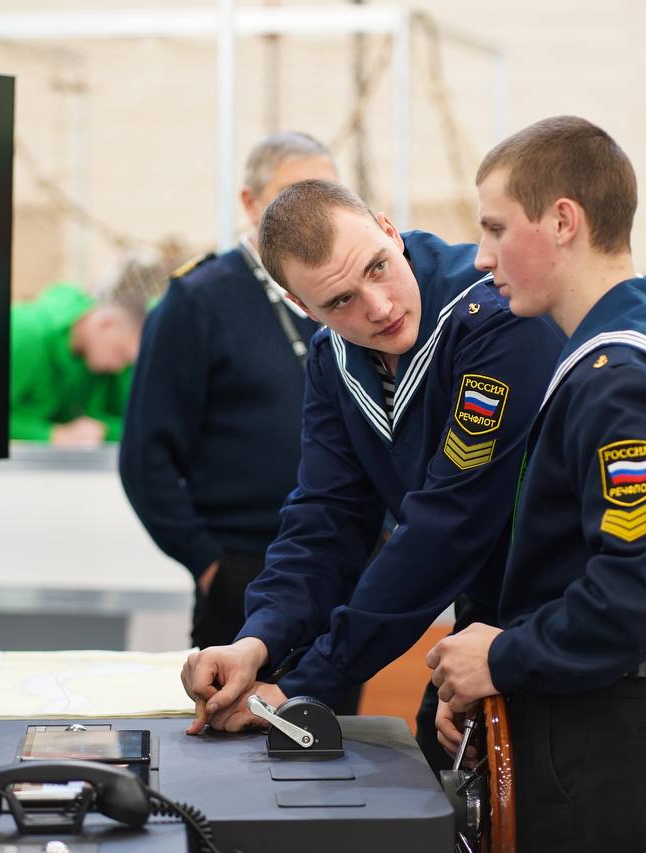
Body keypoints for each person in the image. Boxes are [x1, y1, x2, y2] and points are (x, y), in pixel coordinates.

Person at [426, 115, 646, 853]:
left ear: (563, 221)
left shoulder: (619, 380)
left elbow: (639, 590)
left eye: (497, 228)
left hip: (608, 738)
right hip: (616, 722)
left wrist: (501, 658)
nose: (482, 257)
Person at [178, 180, 564, 770]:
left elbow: (448, 525)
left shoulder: (497, 317)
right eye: (340, 302)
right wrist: (257, 640)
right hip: (485, 627)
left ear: (389, 230)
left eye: (378, 268)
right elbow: (325, 519)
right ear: (304, 309)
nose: (378, 307)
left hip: (566, 629)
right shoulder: (333, 361)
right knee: (430, 771)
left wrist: (306, 681)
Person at [119, 132, 338, 652]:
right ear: (250, 202)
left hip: (337, 560)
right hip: (244, 571)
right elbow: (145, 457)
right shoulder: (197, 300)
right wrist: (208, 563)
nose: (312, 213)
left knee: (330, 705)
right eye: (291, 194)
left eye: (326, 195)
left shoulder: (340, 293)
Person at [10, 282, 145, 446]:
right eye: (120, 354)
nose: (118, 367)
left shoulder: (85, 357)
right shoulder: (23, 335)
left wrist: (103, 431)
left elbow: (92, 424)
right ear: (105, 323)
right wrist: (52, 435)